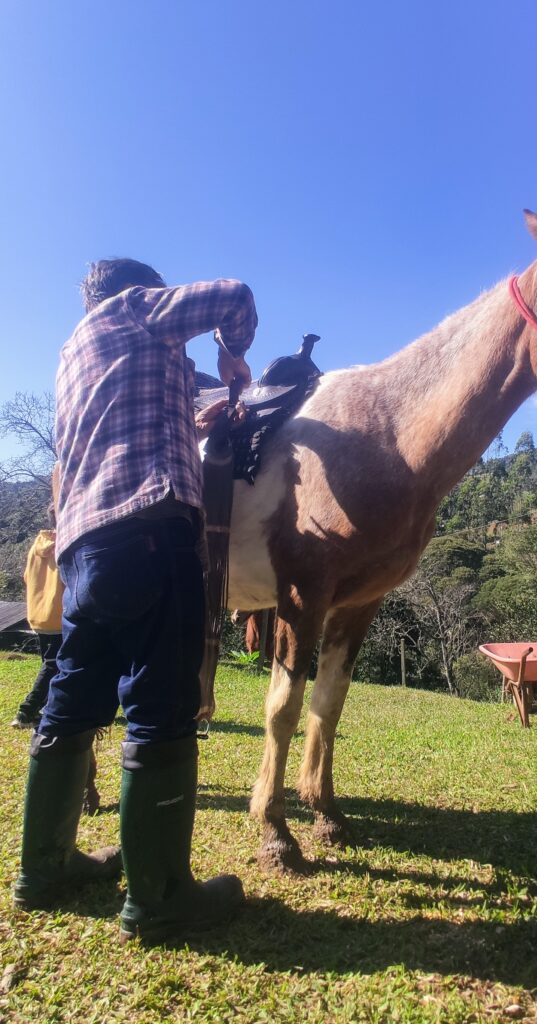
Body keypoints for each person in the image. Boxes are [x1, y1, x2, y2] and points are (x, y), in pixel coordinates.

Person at [13, 258, 257, 945]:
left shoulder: (75, 355)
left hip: (88, 545)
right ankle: (160, 898)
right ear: (135, 291)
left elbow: (134, 426)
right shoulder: (134, 310)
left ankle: (46, 869)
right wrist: (233, 355)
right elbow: (233, 296)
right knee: (163, 702)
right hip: (152, 527)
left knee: (76, 693)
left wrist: (195, 417)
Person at [11, 504, 64, 728]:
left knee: (49, 664)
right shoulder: (63, 543)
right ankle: (26, 711)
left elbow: (26, 577)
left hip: (38, 613)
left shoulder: (37, 545)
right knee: (54, 666)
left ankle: (42, 710)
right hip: (58, 614)